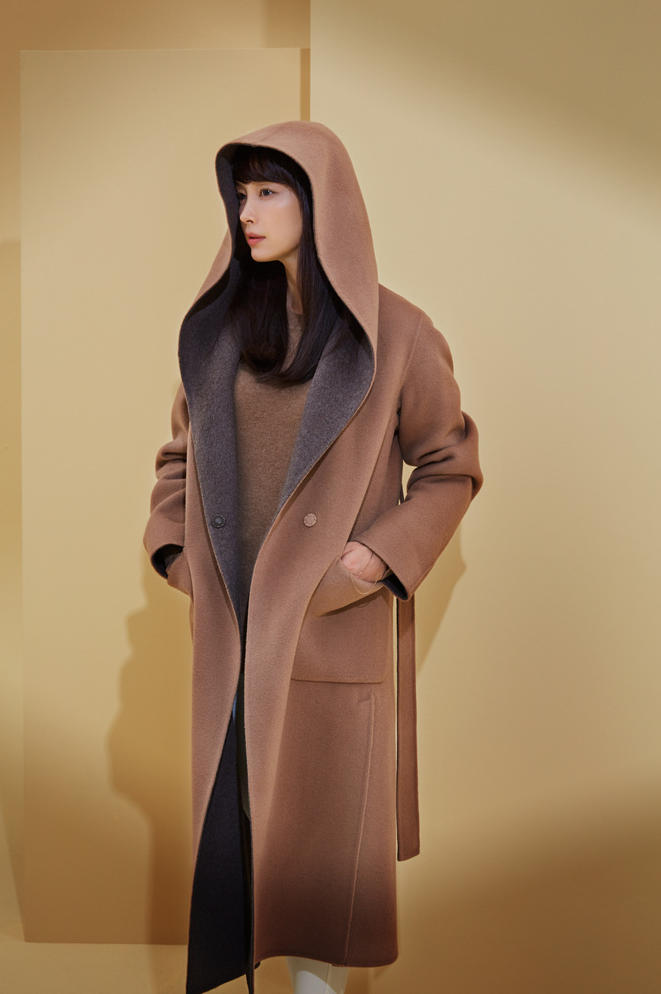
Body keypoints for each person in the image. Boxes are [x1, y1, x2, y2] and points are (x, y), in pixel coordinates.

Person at [144, 120, 482, 994]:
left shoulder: (397, 333)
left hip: (330, 632)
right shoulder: (220, 332)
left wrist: (370, 561)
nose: (247, 213)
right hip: (232, 639)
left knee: (320, 873)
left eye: (270, 191)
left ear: (321, 201)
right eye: (240, 193)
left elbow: (449, 466)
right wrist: (179, 558)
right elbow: (177, 459)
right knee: (242, 851)